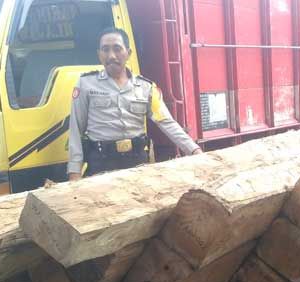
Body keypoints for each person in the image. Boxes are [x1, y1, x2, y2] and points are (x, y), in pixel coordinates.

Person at [67, 27, 201, 180]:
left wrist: (193, 150)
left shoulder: (146, 87)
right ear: (99, 54)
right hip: (101, 163)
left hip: (137, 163)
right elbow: (76, 129)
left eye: (117, 49)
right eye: (105, 49)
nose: (111, 55)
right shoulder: (85, 84)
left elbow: (166, 122)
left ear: (128, 53)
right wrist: (74, 171)